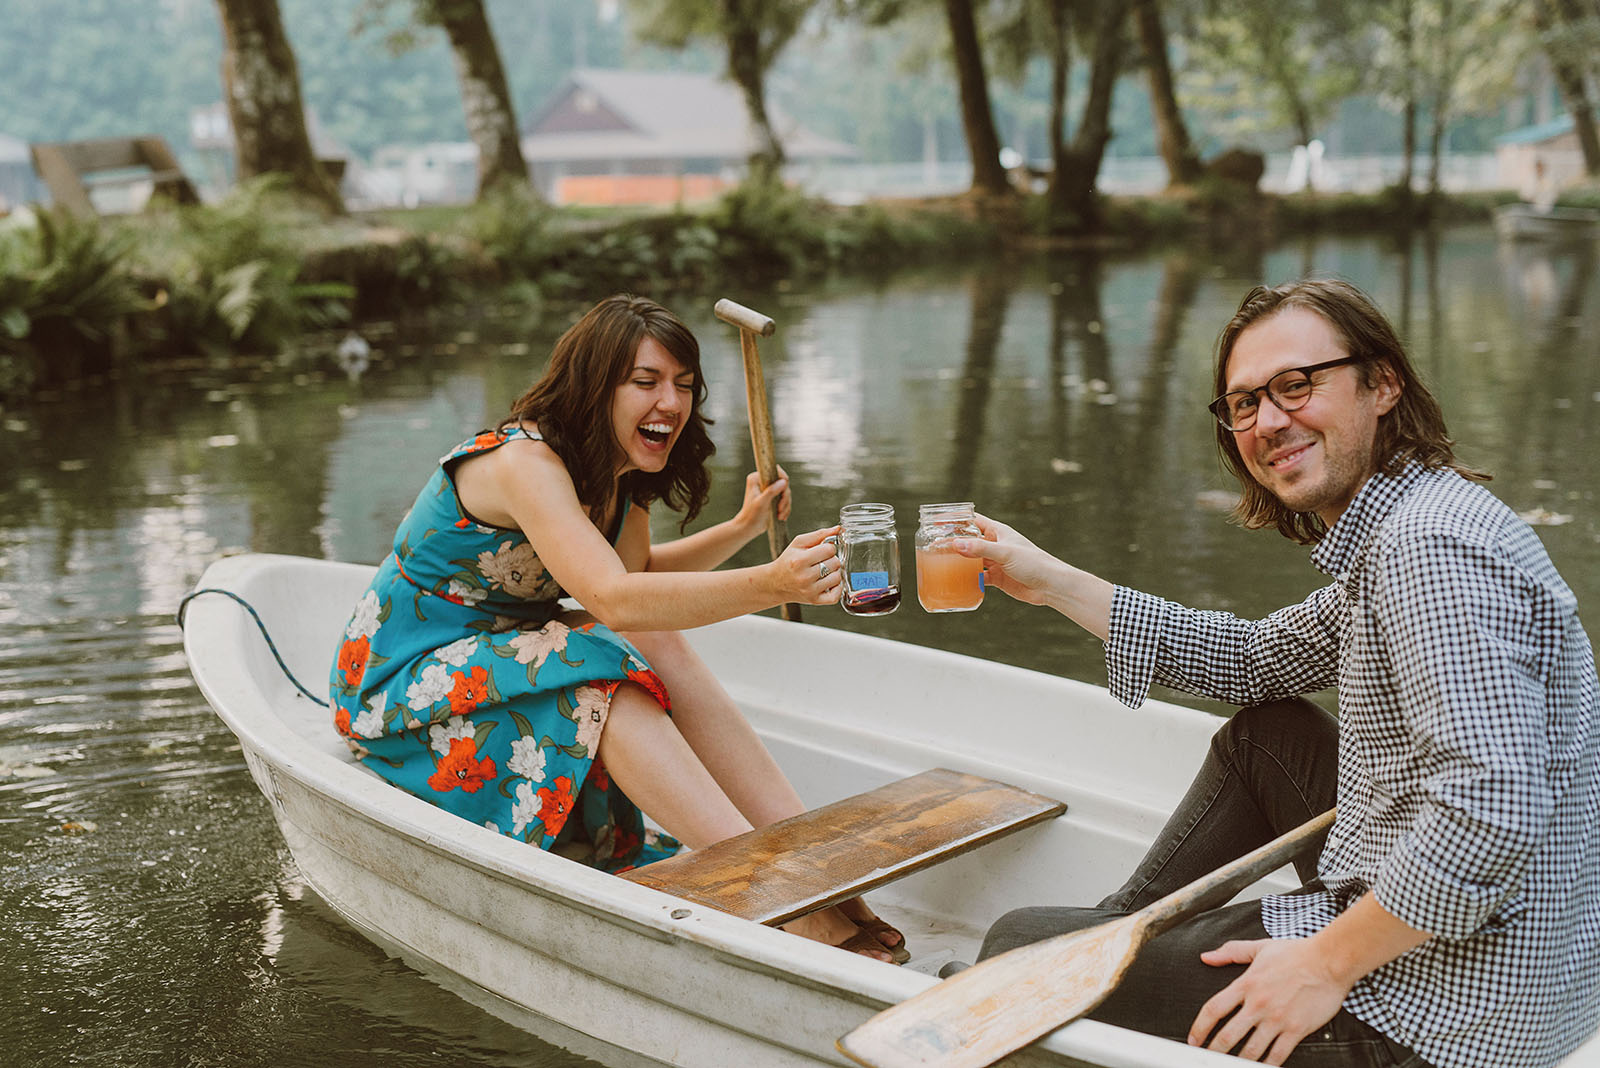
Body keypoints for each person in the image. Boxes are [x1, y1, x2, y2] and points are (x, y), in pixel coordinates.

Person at [947, 279, 1599, 1067]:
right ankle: (1105, 944)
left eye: (1297, 385)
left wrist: (1322, 966)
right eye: (1245, 402)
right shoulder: (1411, 518)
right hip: (1537, 966)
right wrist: (1047, 580)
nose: (1270, 421)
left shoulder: (1428, 551)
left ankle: (1060, 975)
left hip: (1450, 1013)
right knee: (1270, 737)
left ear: (1381, 383)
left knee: (1014, 943)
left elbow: (1492, 808)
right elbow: (1255, 659)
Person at [327, 294, 908, 963]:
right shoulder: (526, 464)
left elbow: (638, 574)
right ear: (594, 386)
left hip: (498, 664)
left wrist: (744, 531)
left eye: (685, 386)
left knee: (650, 639)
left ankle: (811, 865)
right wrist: (771, 584)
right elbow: (614, 598)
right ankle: (771, 893)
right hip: (401, 682)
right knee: (602, 663)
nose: (672, 403)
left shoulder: (618, 473)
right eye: (646, 383)